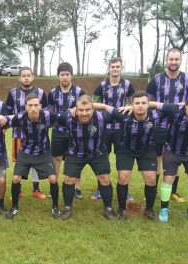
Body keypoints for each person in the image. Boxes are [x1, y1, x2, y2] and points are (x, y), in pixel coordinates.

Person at [95, 91, 162, 220]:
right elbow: (104, 107)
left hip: (147, 150)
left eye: (143, 103)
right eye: (137, 103)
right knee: (123, 178)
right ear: (131, 104)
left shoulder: (156, 114)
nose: (140, 106)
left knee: (151, 179)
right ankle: (121, 210)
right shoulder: (123, 114)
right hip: (126, 150)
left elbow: (178, 106)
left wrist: (153, 104)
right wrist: (76, 108)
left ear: (149, 104)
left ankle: (149, 209)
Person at [147, 48, 188, 203]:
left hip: (182, 125)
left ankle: (173, 191)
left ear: (180, 61)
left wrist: (176, 106)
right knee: (157, 156)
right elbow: (148, 102)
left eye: (177, 59)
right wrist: (167, 107)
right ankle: (153, 191)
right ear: (166, 60)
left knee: (177, 154)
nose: (174, 62)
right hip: (159, 124)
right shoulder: (156, 79)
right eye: (171, 59)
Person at [0, 93, 60, 219]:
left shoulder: (48, 115)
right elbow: (4, 119)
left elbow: (65, 118)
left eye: (36, 105)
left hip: (43, 153)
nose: (33, 108)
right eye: (30, 105)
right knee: (16, 178)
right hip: (25, 153)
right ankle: (14, 207)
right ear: (26, 107)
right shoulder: (20, 117)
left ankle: (55, 207)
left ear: (40, 106)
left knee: (53, 179)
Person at [59, 95, 116, 220]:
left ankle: (108, 209)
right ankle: (67, 208)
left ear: (93, 109)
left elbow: (117, 112)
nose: (84, 113)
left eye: (87, 110)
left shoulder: (103, 116)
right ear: (76, 109)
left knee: (104, 178)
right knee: (69, 179)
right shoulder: (66, 117)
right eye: (81, 110)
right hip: (75, 153)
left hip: (97, 153)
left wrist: (105, 106)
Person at [91, 57, 135, 201]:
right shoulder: (101, 86)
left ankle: (124, 189)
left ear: (122, 68)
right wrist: (105, 108)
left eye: (117, 66)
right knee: (101, 158)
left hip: (122, 129)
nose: (115, 69)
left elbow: (136, 103)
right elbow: (93, 105)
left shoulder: (128, 85)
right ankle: (100, 189)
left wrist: (130, 107)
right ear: (108, 68)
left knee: (122, 159)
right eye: (113, 66)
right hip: (104, 129)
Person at [152, 91, 188, 223]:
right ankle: (164, 209)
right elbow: (153, 104)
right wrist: (131, 106)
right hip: (171, 150)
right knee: (168, 179)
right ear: (185, 106)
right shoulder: (174, 109)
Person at [6, 66, 48, 200]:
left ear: (33, 77)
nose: (26, 78)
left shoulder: (41, 93)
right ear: (19, 78)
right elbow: (8, 113)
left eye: (28, 75)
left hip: (38, 136)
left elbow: (45, 113)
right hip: (19, 135)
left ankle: (36, 189)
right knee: (20, 163)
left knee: (36, 161)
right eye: (23, 75)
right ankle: (18, 191)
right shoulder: (12, 93)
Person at [48, 62, 85, 199]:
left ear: (71, 75)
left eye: (67, 74)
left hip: (75, 131)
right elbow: (50, 112)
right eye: (62, 75)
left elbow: (84, 110)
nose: (64, 77)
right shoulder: (52, 93)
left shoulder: (79, 92)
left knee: (75, 158)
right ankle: (54, 187)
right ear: (58, 76)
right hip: (58, 130)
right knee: (56, 158)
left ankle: (76, 187)